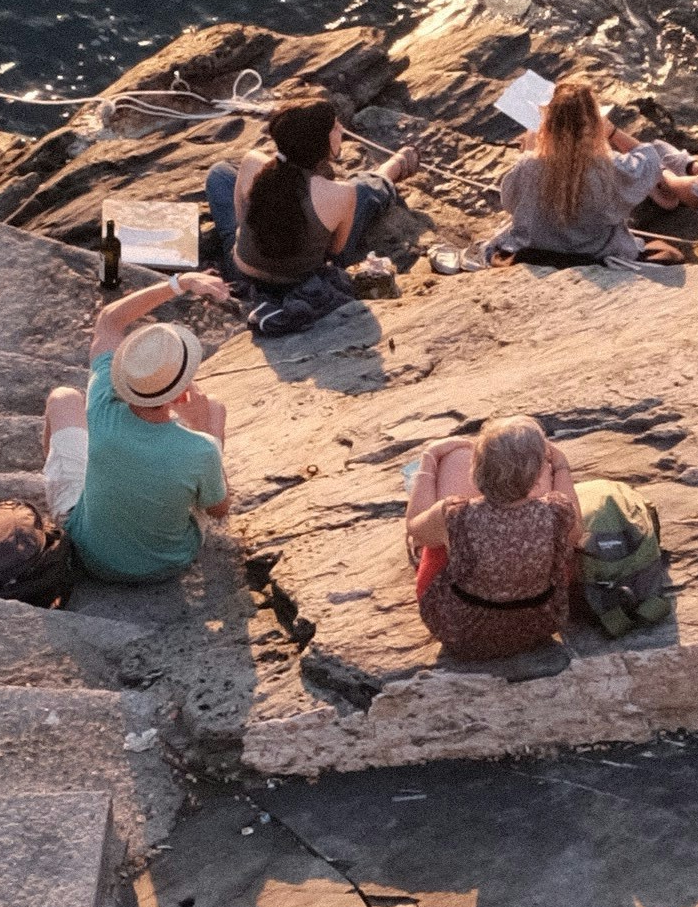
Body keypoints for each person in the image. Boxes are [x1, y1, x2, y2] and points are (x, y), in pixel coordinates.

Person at [43, 307, 231, 586]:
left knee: (63, 397)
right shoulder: (200, 449)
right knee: (215, 409)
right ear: (180, 394)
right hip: (166, 565)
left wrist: (177, 286)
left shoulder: (101, 404)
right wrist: (203, 429)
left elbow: (109, 321)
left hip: (89, 555)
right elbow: (218, 510)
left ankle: (59, 483)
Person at [222, 94, 426, 314]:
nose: (342, 131)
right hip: (299, 284)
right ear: (321, 144)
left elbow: (241, 218)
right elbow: (335, 250)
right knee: (364, 190)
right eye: (336, 128)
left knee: (220, 174)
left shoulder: (252, 161)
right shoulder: (343, 193)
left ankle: (388, 171)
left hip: (241, 271)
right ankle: (388, 172)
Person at [406, 418, 581, 661]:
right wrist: (560, 466)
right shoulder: (558, 511)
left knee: (437, 537)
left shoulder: (455, 514)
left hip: (459, 630)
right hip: (538, 625)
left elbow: (415, 528)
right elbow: (576, 534)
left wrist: (429, 459)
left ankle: (421, 553)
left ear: (475, 467)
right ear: (539, 473)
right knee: (561, 545)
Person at [496, 76, 678, 267]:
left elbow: (509, 204)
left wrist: (532, 146)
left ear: (547, 127)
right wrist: (612, 131)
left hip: (538, 250)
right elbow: (649, 159)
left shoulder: (527, 166)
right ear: (595, 124)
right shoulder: (609, 167)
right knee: (668, 253)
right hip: (594, 252)